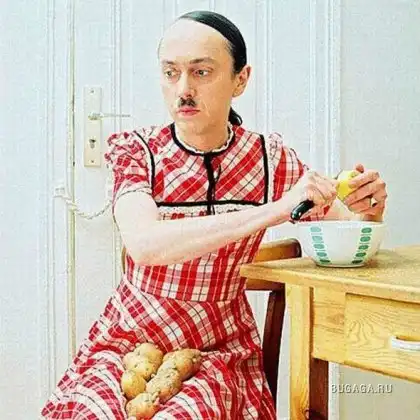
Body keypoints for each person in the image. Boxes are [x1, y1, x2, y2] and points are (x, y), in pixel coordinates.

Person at [41, 10, 387, 420]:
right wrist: (273, 211)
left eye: (201, 72)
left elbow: (349, 238)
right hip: (127, 342)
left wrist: (369, 213)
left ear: (241, 79)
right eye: (171, 73)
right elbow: (145, 244)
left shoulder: (268, 159)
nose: (183, 90)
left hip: (217, 351)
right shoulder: (137, 152)